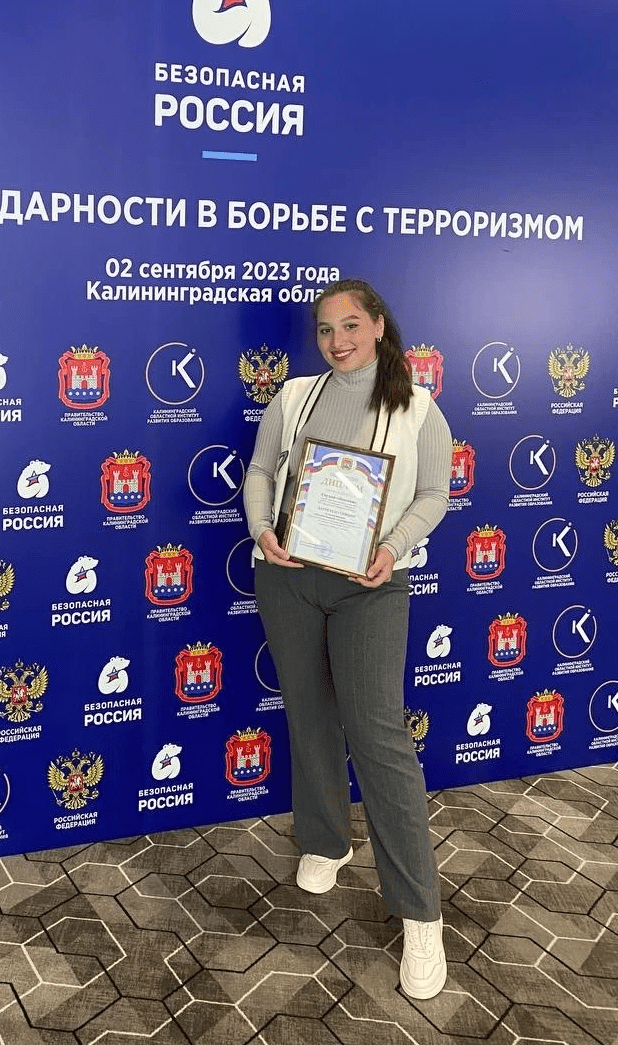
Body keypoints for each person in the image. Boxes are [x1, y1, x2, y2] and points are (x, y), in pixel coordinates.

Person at [243, 278, 451, 1000]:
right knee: (309, 714)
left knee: (379, 736)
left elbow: (434, 494)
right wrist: (262, 529)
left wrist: (392, 546)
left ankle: (421, 915)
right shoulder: (293, 397)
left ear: (380, 326)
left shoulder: (418, 407)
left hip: (371, 585)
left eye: (352, 325)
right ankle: (327, 841)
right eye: (327, 329)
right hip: (289, 578)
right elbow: (262, 469)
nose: (338, 341)